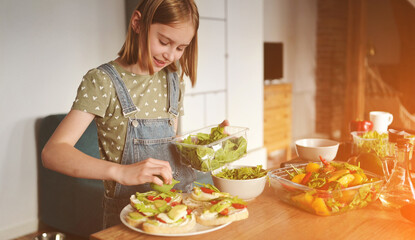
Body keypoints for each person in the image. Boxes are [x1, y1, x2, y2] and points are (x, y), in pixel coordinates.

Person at [41, 0, 222, 228]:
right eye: (164, 42)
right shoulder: (103, 81)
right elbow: (53, 152)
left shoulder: (173, 81)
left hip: (179, 211)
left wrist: (205, 145)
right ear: (137, 23)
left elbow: (171, 144)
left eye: (180, 48)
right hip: (128, 217)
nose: (170, 56)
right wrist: (120, 172)